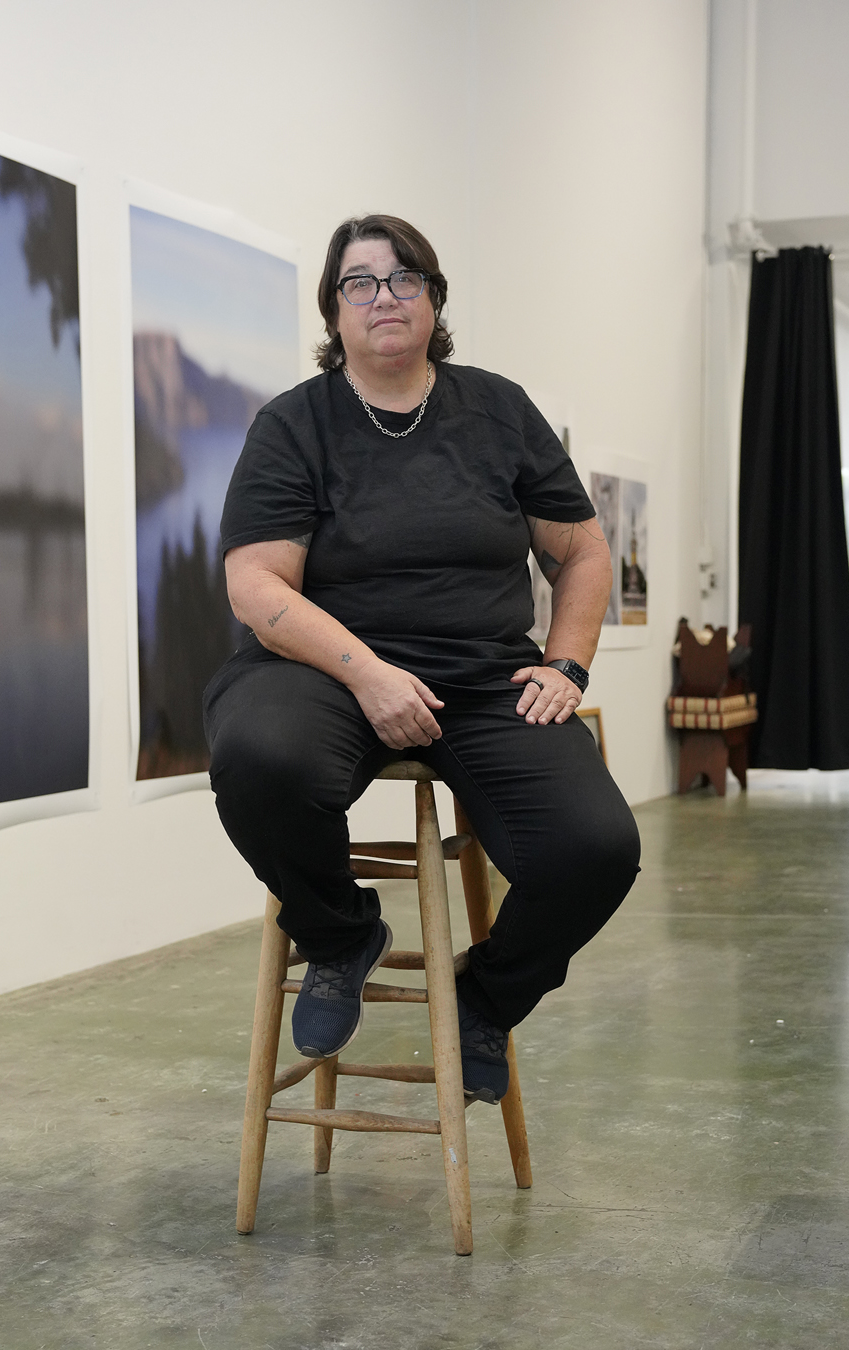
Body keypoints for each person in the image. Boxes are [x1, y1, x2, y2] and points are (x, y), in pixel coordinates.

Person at [204, 214, 640, 1104]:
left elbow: (584, 550)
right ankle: (336, 937)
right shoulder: (296, 424)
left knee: (594, 849)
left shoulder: (497, 410)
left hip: (484, 679)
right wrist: (366, 673)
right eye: (358, 283)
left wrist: (566, 665)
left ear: (434, 297)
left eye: (404, 278)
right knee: (258, 756)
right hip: (324, 673)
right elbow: (257, 586)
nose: (383, 297)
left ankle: (484, 999)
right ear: (334, 311)